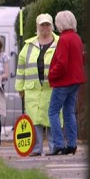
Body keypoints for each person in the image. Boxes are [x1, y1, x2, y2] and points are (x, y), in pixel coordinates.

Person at [15, 13, 60, 156]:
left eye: (47, 25)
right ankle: (36, 149)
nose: (45, 28)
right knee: (34, 120)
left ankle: (54, 148)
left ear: (52, 26)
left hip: (52, 88)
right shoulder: (28, 46)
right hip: (33, 89)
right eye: (42, 25)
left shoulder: (59, 43)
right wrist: (19, 88)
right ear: (37, 27)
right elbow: (21, 68)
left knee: (53, 119)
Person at [47, 10, 86, 155]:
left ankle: (58, 144)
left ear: (59, 23)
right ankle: (72, 143)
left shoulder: (63, 39)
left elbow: (62, 63)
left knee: (53, 112)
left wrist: (51, 74)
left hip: (63, 81)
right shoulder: (77, 38)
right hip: (76, 80)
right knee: (69, 112)